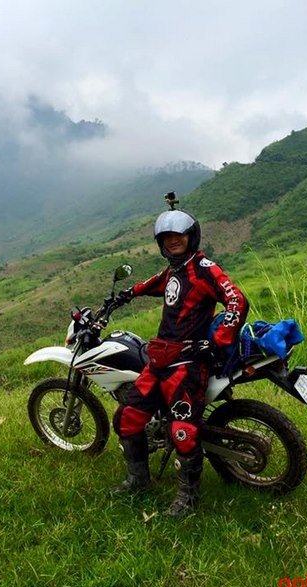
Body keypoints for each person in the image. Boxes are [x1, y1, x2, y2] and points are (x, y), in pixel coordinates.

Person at [110, 196, 248, 516]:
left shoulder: (204, 269)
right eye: (166, 238)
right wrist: (128, 294)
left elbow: (237, 301)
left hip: (187, 364)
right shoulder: (175, 270)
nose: (172, 241)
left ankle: (188, 499)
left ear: (191, 236)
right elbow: (154, 284)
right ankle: (138, 481)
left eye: (178, 235)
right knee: (127, 418)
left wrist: (218, 341)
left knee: (182, 432)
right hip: (160, 360)